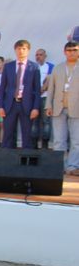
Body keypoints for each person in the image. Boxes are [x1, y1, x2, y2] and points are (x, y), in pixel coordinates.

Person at [0, 40, 41, 149]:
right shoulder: (8, 66)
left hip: (27, 105)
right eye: (19, 49)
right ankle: (8, 157)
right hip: (10, 104)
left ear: (28, 50)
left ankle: (27, 158)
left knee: (27, 135)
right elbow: (2, 88)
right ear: (15, 50)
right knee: (8, 134)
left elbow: (37, 90)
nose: (21, 51)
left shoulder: (34, 67)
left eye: (24, 49)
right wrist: (0, 106)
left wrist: (36, 108)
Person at [46, 41, 79, 175]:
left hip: (76, 108)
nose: (72, 53)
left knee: (76, 141)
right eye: (69, 50)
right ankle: (60, 166)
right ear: (65, 52)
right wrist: (48, 105)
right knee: (59, 140)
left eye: (75, 50)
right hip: (58, 108)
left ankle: (72, 166)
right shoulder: (58, 68)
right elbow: (51, 89)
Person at [34, 48, 54, 149]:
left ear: (45, 56)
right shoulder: (33, 67)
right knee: (34, 122)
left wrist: (43, 88)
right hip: (34, 98)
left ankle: (45, 146)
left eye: (40, 54)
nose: (38, 57)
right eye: (37, 55)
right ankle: (34, 145)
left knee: (46, 122)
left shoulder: (50, 66)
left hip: (45, 97)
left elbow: (51, 79)